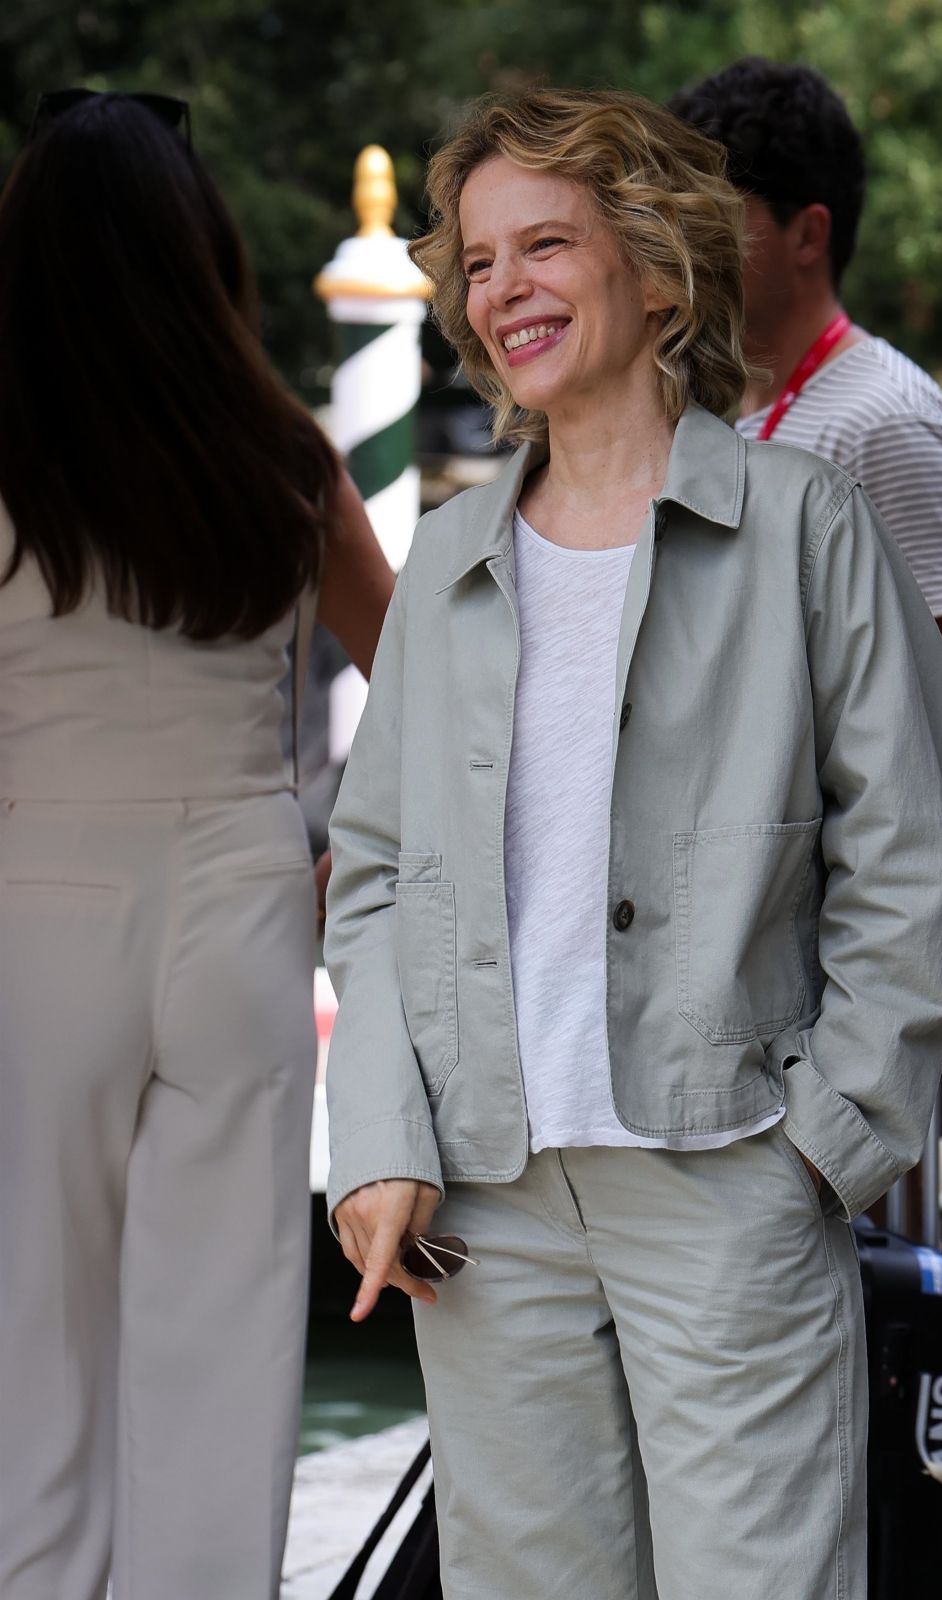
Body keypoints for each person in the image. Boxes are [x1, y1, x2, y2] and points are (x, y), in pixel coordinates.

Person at [324, 86, 942, 1600]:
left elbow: (908, 850)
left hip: (732, 1172)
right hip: (484, 1202)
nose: (502, 291)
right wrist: (377, 1144)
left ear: (661, 266)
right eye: (477, 264)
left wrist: (823, 1146)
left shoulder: (809, 528)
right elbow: (372, 874)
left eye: (544, 243)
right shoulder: (453, 566)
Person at [0, 92, 394, 1600]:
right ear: (201, 248)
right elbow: (420, 673)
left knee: (37, 1353)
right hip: (241, 895)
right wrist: (352, 844)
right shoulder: (281, 452)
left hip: (40, 901)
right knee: (225, 1348)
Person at [669, 62, 942, 1593]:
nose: (674, 237)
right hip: (750, 966)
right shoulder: (734, 411)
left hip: (857, 982)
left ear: (807, 229)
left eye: (711, 211)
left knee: (891, 1320)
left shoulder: (886, 419)